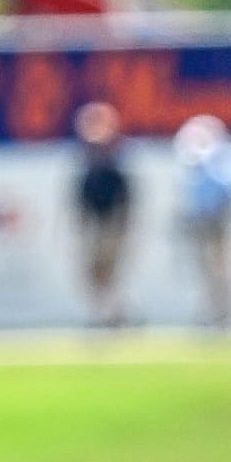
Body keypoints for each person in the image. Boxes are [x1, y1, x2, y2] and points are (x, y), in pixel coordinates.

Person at [173, 114, 231, 326]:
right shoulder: (191, 160)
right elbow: (187, 194)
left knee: (224, 268)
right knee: (204, 269)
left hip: (219, 221)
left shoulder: (226, 157)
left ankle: (230, 314)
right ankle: (211, 312)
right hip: (200, 223)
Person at [71, 101, 133, 326]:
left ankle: (114, 314)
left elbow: (124, 200)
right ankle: (106, 313)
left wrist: (119, 227)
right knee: (92, 274)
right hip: (94, 227)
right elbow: (82, 200)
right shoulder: (86, 164)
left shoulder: (115, 164)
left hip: (110, 226)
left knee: (106, 273)